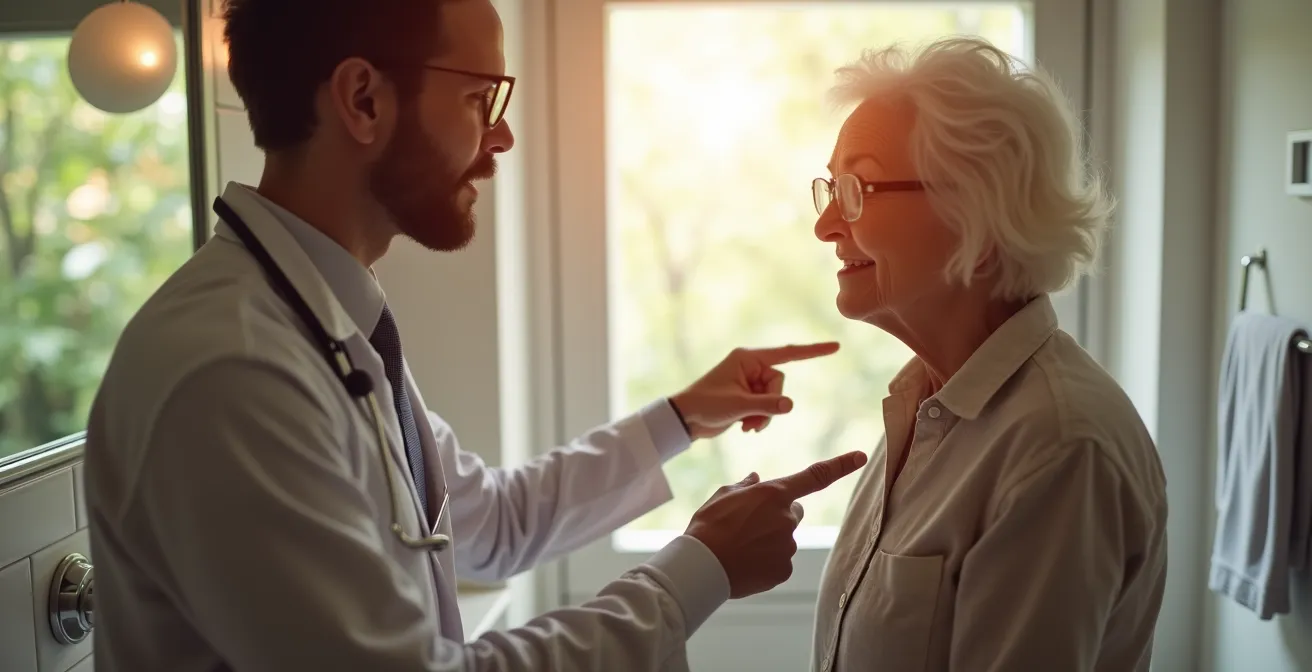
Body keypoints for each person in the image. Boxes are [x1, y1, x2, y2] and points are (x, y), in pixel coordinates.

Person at [82, 0, 867, 670]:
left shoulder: (329, 326)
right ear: (363, 100)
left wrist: (683, 417)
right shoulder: (235, 370)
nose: (502, 138)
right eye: (480, 98)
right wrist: (698, 570)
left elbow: (490, 522)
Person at [807, 36, 1169, 671]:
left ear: (974, 208)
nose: (826, 224)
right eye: (831, 188)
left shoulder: (1058, 447)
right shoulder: (924, 406)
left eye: (857, 187)